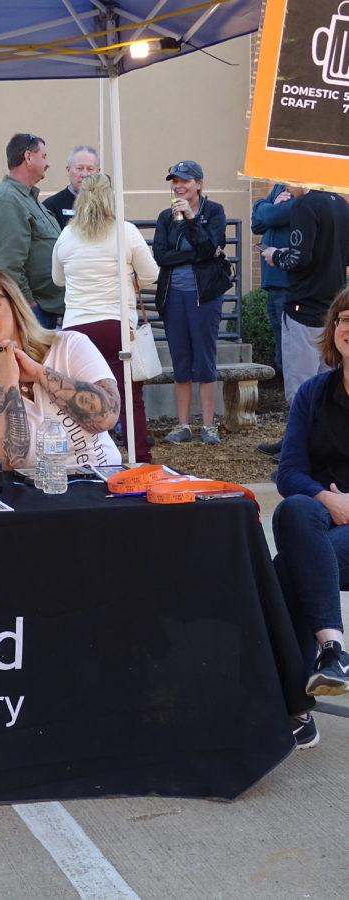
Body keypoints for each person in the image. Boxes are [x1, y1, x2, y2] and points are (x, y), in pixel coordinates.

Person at [272, 288, 349, 748]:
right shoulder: (314, 394)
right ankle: (333, 650)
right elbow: (288, 474)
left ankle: (294, 708)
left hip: (332, 537)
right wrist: (327, 499)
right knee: (295, 508)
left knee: (289, 569)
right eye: (345, 319)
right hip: (322, 522)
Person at [0, 266, 121, 470]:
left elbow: (107, 417)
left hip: (102, 479)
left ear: (14, 304)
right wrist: (9, 384)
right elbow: (9, 462)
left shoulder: (69, 344)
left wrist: (40, 374)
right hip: (37, 488)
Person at [53, 173, 159, 463]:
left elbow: (58, 279)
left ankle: (87, 459)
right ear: (111, 198)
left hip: (75, 328)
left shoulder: (66, 235)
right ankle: (139, 458)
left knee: (81, 399)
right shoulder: (126, 231)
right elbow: (151, 274)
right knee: (128, 396)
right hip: (115, 325)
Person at [260, 186, 349, 463]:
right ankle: (317, 446)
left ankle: (297, 453)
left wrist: (276, 255)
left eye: (289, 181)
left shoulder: (304, 205)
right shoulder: (342, 205)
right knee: (328, 385)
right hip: (331, 307)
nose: (287, 187)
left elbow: (300, 258)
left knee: (300, 389)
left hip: (303, 307)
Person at [152, 160, 227, 445]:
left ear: (199, 183)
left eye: (184, 180)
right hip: (173, 296)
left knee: (205, 358)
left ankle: (208, 425)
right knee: (180, 359)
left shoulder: (214, 211)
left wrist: (192, 219)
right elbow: (161, 256)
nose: (178, 186)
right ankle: (182, 425)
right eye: (175, 181)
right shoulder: (165, 217)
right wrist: (198, 255)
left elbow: (209, 246)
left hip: (204, 296)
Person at [0, 133, 64, 329]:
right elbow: (8, 266)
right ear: (28, 157)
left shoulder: (26, 198)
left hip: (47, 309)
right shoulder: (7, 200)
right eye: (44, 156)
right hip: (33, 312)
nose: (48, 163)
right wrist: (29, 306)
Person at [251, 183, 292, 376]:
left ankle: (295, 392)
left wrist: (265, 207)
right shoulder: (279, 186)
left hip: (289, 282)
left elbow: (270, 217)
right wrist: (270, 205)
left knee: (291, 346)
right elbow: (256, 224)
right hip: (274, 282)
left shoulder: (303, 190)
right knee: (280, 342)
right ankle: (287, 390)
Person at [43, 145, 100, 229]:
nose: (84, 174)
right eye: (79, 168)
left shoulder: (108, 206)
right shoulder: (51, 207)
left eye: (90, 169)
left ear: (98, 173)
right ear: (68, 170)